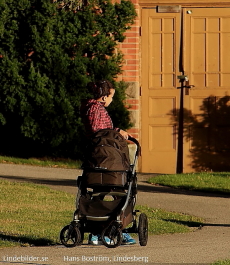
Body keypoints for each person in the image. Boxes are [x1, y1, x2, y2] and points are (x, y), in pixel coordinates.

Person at [80, 80, 136, 245]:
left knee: (98, 194)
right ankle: (111, 230)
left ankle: (98, 231)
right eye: (111, 96)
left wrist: (116, 131)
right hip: (107, 161)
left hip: (97, 161)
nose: (112, 99)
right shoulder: (96, 110)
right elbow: (101, 133)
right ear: (104, 97)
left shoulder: (91, 109)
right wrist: (118, 132)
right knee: (117, 193)